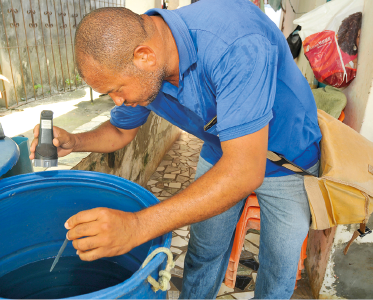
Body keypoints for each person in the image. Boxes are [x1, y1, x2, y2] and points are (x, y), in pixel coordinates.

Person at [30, 0, 322, 298]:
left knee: (279, 266)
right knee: (204, 250)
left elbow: (245, 170)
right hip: (221, 147)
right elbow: (120, 131)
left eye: (116, 90)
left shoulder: (235, 42)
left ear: (145, 56)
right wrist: (74, 141)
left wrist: (137, 226)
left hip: (289, 158)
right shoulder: (148, 64)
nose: (116, 101)